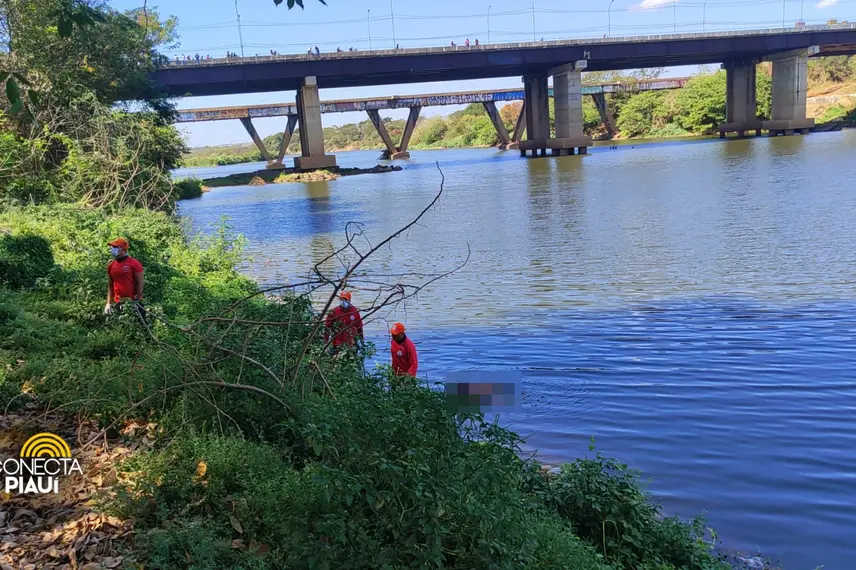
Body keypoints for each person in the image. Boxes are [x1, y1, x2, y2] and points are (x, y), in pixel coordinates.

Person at [104, 238, 146, 324]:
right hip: (118, 302)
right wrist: (108, 303)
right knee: (121, 328)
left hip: (133, 302)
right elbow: (110, 284)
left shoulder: (134, 263)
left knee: (140, 327)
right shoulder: (111, 265)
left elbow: (140, 282)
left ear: (123, 249)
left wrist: (137, 299)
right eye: (112, 247)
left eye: (115, 247)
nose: (112, 249)